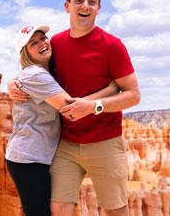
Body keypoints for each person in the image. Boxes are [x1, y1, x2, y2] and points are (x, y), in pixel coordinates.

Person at [8, 0, 140, 216]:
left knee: (115, 210)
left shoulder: (112, 45)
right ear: (67, 6)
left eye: (92, 2)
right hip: (66, 145)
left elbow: (133, 96)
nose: (85, 6)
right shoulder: (56, 43)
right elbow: (35, 70)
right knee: (58, 209)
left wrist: (94, 106)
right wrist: (13, 83)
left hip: (105, 142)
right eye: (79, 1)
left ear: (99, 8)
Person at [6, 24, 118, 216]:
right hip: (28, 158)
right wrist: (112, 89)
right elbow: (71, 110)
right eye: (33, 43)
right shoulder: (36, 74)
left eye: (43, 38)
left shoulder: (44, 72)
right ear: (25, 53)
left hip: (38, 155)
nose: (42, 43)